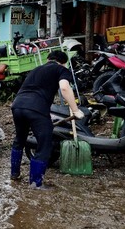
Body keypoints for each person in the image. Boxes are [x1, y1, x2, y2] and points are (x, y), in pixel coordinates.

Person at [10, 50, 85, 189]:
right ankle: (36, 184)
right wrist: (75, 110)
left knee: (19, 139)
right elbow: (64, 88)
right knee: (44, 144)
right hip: (36, 108)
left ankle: (14, 174)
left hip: (17, 106)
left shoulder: (36, 69)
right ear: (63, 62)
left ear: (48, 59)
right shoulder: (61, 69)